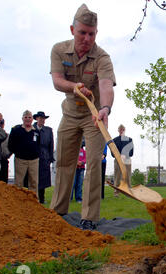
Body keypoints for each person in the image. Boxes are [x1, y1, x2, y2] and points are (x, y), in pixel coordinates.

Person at [49, 4, 116, 230]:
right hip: (69, 114)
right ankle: (58, 211)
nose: (87, 38)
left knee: (94, 163)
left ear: (96, 33)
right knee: (64, 163)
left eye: (91, 33)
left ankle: (89, 217)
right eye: (82, 33)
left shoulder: (102, 57)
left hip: (93, 115)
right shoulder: (59, 50)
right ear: (72, 30)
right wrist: (74, 87)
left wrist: (105, 108)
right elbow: (57, 81)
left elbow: (106, 84)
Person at [8, 110, 41, 195]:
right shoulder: (16, 130)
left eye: (29, 117)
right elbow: (11, 144)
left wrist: (36, 154)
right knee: (18, 182)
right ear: (22, 118)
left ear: (32, 119)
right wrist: (18, 152)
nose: (27, 119)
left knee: (34, 182)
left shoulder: (36, 131)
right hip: (20, 159)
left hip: (34, 160)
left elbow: (39, 144)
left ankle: (34, 202)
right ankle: (17, 202)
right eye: (25, 117)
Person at [33, 111, 55, 204]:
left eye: (43, 118)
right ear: (36, 118)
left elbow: (51, 145)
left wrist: (50, 157)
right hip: (33, 156)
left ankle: (42, 198)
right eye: (40, 118)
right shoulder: (32, 128)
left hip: (45, 156)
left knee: (43, 179)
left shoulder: (48, 130)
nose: (42, 120)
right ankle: (33, 197)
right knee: (33, 178)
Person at [111, 124, 133, 196]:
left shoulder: (129, 140)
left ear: (124, 130)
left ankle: (129, 191)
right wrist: (119, 156)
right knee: (117, 176)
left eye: (122, 129)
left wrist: (125, 155)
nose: (121, 131)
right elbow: (112, 152)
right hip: (117, 160)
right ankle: (116, 192)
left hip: (127, 160)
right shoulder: (114, 140)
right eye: (120, 129)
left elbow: (131, 152)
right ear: (118, 130)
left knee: (128, 175)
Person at [0, 111, 12, 183]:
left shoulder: (7, 135)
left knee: (3, 182)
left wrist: (6, 154)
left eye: (1, 121)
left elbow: (11, 147)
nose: (0, 123)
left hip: (3, 160)